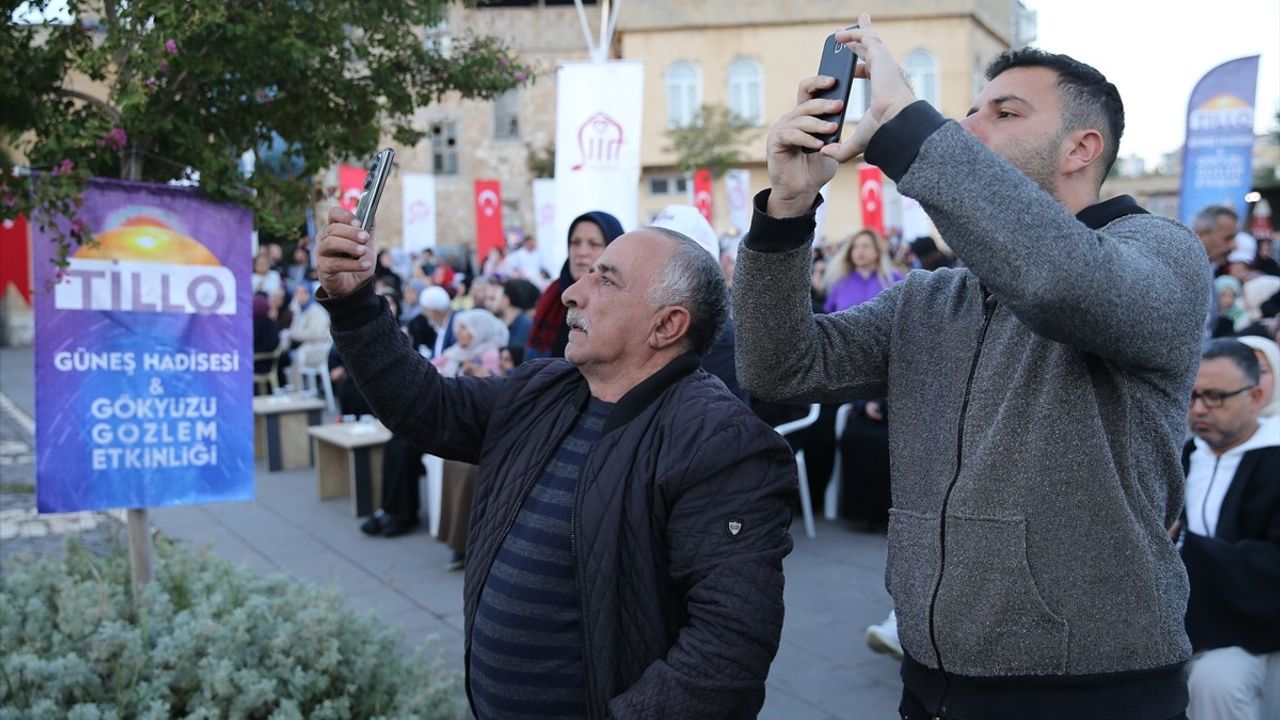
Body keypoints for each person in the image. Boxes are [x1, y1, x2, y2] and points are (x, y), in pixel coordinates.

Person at [733, 17, 1208, 719]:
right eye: (967, 112)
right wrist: (788, 210)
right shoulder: (935, 294)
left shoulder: (1163, 255)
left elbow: (1059, 281)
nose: (968, 126)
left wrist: (905, 126)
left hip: (1094, 687)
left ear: (1082, 147)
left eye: (1005, 113)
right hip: (933, 679)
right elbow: (781, 369)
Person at [315, 205, 796, 718]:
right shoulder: (541, 388)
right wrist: (355, 304)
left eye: (605, 281)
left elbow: (725, 652)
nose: (572, 291)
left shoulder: (721, 446)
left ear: (667, 325)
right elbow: (427, 408)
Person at [1178, 339, 1280, 720]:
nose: (1200, 408)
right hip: (1189, 631)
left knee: (1217, 683)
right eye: (1193, 396)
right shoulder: (1182, 459)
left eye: (1216, 397)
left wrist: (1183, 542)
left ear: (1255, 396)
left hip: (1260, 630)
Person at [526, 210, 624, 359]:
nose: (581, 252)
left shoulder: (624, 304)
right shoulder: (552, 295)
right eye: (575, 242)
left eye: (594, 244)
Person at [823, 228, 902, 314]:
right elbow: (829, 314)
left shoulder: (893, 278)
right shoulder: (840, 281)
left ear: (877, 251)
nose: (859, 251)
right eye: (855, 247)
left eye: (865, 246)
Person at [488, 278, 540, 348]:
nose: (489, 303)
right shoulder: (497, 320)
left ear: (506, 300)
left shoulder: (524, 325)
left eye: (493, 298)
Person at [407, 285, 455, 359]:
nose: (424, 313)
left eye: (425, 309)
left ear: (434, 310)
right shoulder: (438, 327)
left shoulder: (454, 327)